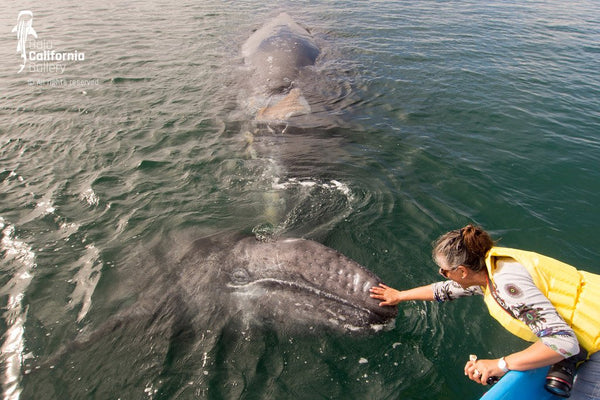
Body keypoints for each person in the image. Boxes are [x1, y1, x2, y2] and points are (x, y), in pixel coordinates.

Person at [370, 225, 600, 399]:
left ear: (461, 270)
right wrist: (399, 295)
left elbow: (563, 342)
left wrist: (499, 364)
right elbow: (445, 290)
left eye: (444, 270)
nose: (442, 274)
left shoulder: (508, 288)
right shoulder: (490, 268)